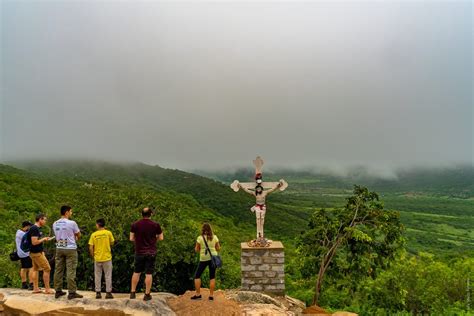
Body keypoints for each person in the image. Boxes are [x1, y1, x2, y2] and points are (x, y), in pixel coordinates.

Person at [129, 207, 163, 301]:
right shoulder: (156, 225)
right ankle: (147, 294)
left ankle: (132, 292)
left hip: (139, 252)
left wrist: (138, 240)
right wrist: (153, 239)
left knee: (136, 272)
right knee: (148, 274)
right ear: (151, 214)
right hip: (151, 252)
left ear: (141, 214)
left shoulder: (135, 225)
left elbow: (131, 238)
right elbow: (161, 238)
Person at [52, 205, 83, 300]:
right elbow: (79, 235)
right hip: (70, 248)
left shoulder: (55, 223)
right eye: (70, 211)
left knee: (58, 270)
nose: (71, 213)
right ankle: (72, 292)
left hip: (59, 248)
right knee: (71, 270)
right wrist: (75, 237)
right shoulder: (72, 223)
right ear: (66, 212)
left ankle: (58, 291)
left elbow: (57, 235)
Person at [191, 222, 221, 301]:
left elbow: (196, 249)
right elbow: (218, 248)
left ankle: (198, 294)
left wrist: (202, 248)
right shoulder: (215, 237)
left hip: (203, 258)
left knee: (197, 276)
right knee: (212, 276)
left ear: (203, 230)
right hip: (213, 258)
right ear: (210, 229)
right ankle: (211, 296)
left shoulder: (200, 238)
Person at [88, 218, 115, 299]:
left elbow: (90, 247)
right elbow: (112, 242)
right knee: (108, 275)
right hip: (107, 257)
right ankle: (108, 293)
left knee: (97, 275)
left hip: (97, 258)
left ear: (97, 225)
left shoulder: (94, 235)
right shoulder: (108, 233)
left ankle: (98, 293)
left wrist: (93, 256)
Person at [29, 213, 54, 294]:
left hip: (35, 252)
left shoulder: (36, 228)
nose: (45, 221)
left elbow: (36, 241)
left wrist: (44, 239)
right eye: (45, 220)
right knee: (47, 268)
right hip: (36, 253)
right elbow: (34, 242)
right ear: (40, 219)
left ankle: (35, 289)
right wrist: (43, 239)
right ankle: (47, 289)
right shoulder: (34, 228)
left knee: (35, 269)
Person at [15, 221, 35, 290]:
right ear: (27, 226)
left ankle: (24, 284)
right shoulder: (23, 234)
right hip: (25, 253)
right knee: (31, 268)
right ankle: (31, 284)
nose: (30, 228)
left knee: (24, 268)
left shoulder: (18, 232)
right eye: (29, 226)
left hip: (20, 253)